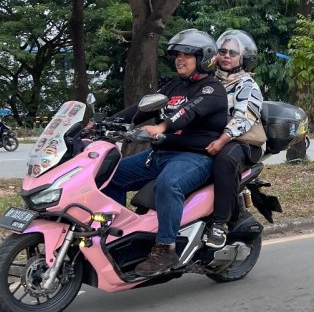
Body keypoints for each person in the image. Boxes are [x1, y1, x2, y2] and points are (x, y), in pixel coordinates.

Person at [103, 29, 228, 276]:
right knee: (110, 176)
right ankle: (117, 236)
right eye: (177, 55)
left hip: (194, 157)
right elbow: (140, 109)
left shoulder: (212, 89)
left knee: (168, 184)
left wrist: (162, 126)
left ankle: (165, 248)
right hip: (159, 154)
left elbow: (188, 112)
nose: (179, 59)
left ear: (204, 58)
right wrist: (105, 123)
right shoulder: (173, 87)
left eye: (187, 55)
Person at [202, 29, 266, 248]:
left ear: (243, 58)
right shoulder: (209, 81)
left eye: (233, 52)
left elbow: (243, 119)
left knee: (224, 160)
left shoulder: (247, 85)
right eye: (222, 51)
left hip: (242, 142)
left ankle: (219, 224)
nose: (226, 56)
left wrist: (222, 139)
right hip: (213, 137)